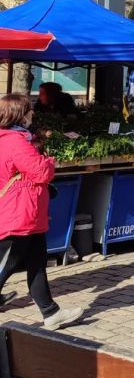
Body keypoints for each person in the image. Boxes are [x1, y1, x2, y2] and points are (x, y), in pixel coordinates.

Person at [0, 93, 83, 329]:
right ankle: (50, 312)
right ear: (19, 113)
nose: (32, 115)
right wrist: (49, 161)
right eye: (29, 111)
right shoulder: (15, 141)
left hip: (29, 212)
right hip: (19, 215)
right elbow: (40, 172)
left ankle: (50, 312)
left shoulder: (11, 138)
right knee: (6, 265)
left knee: (37, 265)